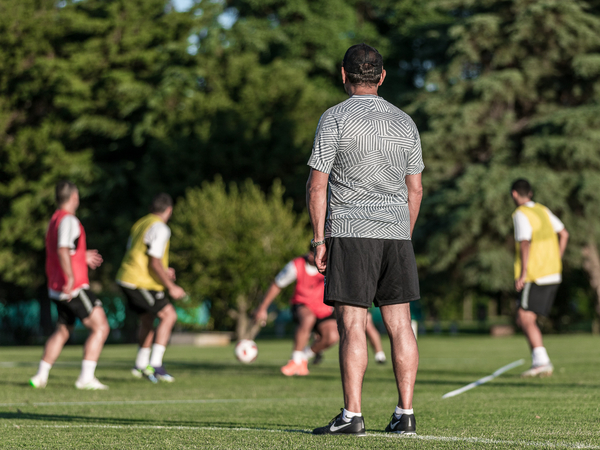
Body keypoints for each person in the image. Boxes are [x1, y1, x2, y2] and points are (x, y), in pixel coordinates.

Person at [307, 43, 424, 436]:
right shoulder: (405, 122)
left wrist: (318, 239)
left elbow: (316, 185)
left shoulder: (334, 119)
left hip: (350, 232)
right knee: (400, 323)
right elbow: (416, 189)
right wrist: (402, 234)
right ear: (382, 77)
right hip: (395, 233)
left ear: (343, 75)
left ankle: (352, 415)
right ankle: (405, 413)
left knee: (352, 324)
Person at [29, 181, 110, 390]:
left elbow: (62, 249)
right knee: (101, 327)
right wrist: (71, 277)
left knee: (63, 330)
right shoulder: (69, 220)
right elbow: (63, 249)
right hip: (73, 286)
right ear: (74, 197)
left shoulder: (54, 219)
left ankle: (40, 376)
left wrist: (82, 256)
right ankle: (86, 378)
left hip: (56, 287)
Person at [116, 193, 186, 383]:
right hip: (139, 281)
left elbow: (141, 254)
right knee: (169, 315)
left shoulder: (141, 223)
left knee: (147, 319)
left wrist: (163, 270)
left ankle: (140, 365)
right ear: (169, 210)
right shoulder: (161, 228)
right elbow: (154, 262)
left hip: (128, 277)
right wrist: (171, 286)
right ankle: (155, 365)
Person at [511, 179, 569, 377]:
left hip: (536, 274)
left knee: (524, 316)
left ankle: (541, 362)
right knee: (527, 317)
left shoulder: (521, 214)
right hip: (553, 271)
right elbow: (564, 234)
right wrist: (556, 259)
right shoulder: (543, 210)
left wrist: (523, 272)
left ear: (514, 194)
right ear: (531, 193)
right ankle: (540, 360)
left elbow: (525, 242)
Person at [254, 251, 339, 376]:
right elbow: (277, 284)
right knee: (308, 318)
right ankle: (295, 360)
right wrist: (262, 308)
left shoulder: (331, 266)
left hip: (323, 309)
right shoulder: (296, 265)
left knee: (332, 337)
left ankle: (303, 358)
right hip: (302, 305)